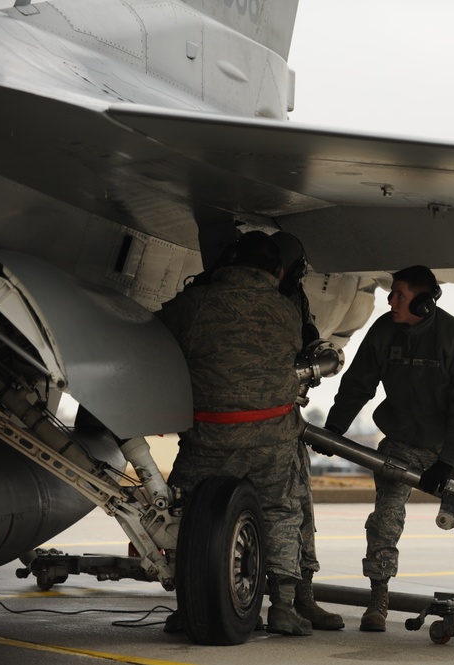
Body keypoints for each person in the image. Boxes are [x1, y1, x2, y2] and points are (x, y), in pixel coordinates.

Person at [323, 265, 454, 633]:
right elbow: (358, 383)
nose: (390, 301)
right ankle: (378, 597)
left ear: (423, 303)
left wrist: (447, 461)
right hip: (401, 443)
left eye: (400, 295)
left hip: (449, 447)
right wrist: (335, 428)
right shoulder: (383, 330)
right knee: (384, 520)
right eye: (392, 294)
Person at [157, 231, 311, 637]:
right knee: (280, 511)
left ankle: (187, 606)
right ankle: (282, 608)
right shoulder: (286, 312)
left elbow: (155, 335)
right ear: (277, 272)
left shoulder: (193, 305)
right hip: (273, 435)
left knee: (186, 514)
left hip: (210, 436)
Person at [270, 231, 345, 631]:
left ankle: (302, 597)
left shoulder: (292, 300)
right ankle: (286, 603)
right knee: (290, 508)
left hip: (226, 424)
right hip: (271, 427)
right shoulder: (279, 306)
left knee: (298, 509)